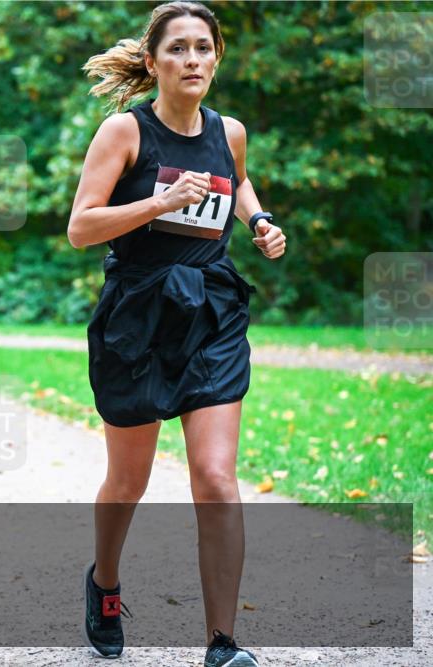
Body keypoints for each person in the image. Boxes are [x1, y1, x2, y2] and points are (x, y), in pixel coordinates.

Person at [67, 2, 286, 665]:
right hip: (138, 316)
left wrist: (258, 220)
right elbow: (81, 227)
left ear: (217, 56)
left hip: (211, 312)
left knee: (216, 477)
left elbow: (237, 182)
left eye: (203, 48)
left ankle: (223, 642)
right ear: (154, 60)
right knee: (127, 481)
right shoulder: (124, 132)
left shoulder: (230, 131)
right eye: (178, 48)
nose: (193, 59)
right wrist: (158, 203)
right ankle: (105, 583)